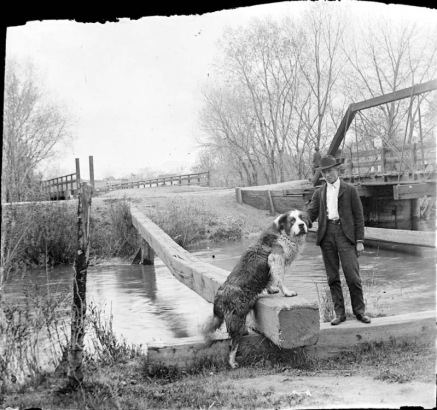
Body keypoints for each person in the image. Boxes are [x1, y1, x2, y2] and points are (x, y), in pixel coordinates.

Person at [305, 155, 371, 325]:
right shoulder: (319, 192)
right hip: (326, 235)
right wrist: (300, 222)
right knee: (332, 278)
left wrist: (359, 240)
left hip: (345, 235)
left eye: (330, 171)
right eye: (324, 172)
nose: (328, 175)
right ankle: (339, 314)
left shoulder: (350, 190)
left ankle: (359, 312)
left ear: (337, 170)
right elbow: (311, 213)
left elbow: (359, 217)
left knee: (353, 276)